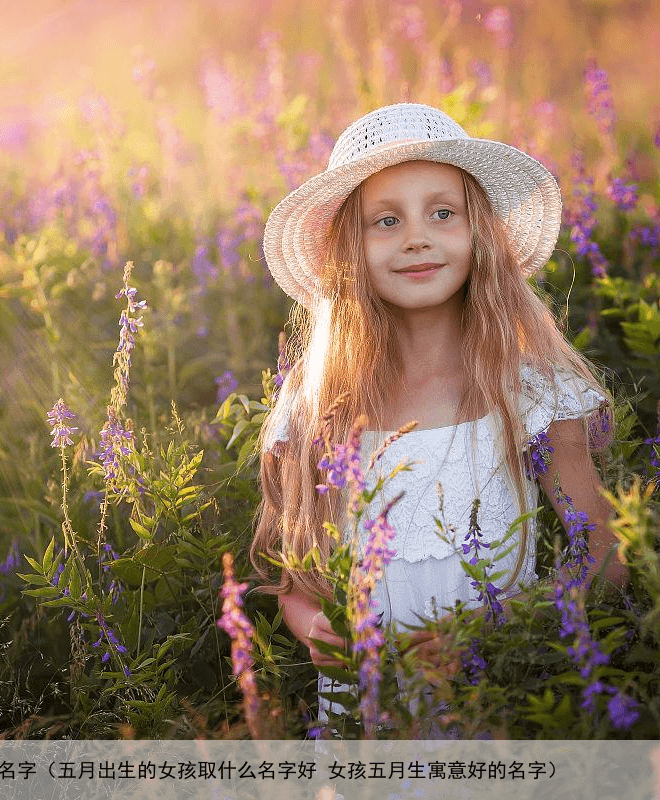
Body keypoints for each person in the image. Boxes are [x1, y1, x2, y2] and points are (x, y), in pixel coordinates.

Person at [248, 103, 626, 730]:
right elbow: (301, 587)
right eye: (386, 220)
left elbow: (603, 553)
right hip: (368, 715)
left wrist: (504, 634)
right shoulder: (321, 403)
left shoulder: (532, 388)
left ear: (480, 231)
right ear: (349, 249)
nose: (416, 237)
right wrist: (335, 641)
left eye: (442, 213)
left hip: (501, 693)